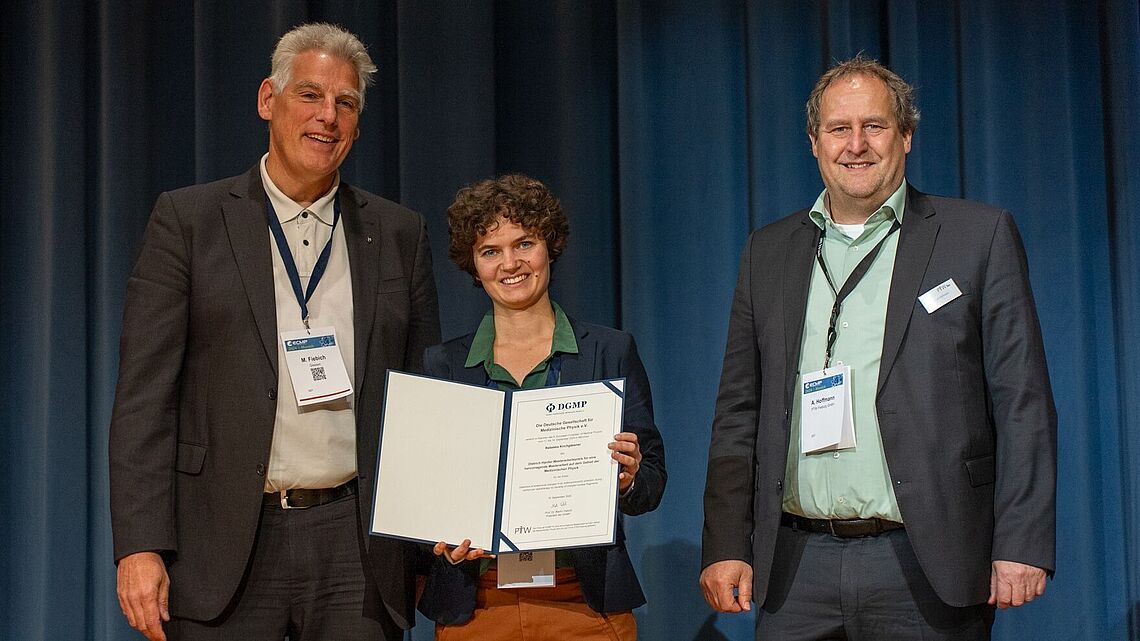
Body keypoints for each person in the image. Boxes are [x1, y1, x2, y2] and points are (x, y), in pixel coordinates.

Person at [700, 55, 1056, 640]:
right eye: (839, 129)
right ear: (814, 142)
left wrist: (1021, 541)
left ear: (906, 136)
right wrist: (724, 544)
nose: (856, 145)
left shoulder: (978, 235)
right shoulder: (768, 251)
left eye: (875, 126)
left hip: (925, 560)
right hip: (795, 566)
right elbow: (738, 412)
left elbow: (1023, 402)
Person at [109, 23, 440, 641]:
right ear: (268, 100)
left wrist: (421, 548)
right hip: (223, 543)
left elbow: (419, 400)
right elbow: (142, 401)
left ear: (359, 125)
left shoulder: (398, 234)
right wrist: (140, 546)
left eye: (346, 104)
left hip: (355, 547)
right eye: (309, 95)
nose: (328, 118)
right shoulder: (189, 221)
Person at [415, 174, 666, 640]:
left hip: (583, 602)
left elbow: (651, 483)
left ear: (549, 246)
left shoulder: (609, 351)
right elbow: (427, 495)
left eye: (524, 243)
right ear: (473, 265)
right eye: (490, 251)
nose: (510, 263)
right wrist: (441, 539)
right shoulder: (443, 364)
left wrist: (628, 479)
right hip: (478, 604)